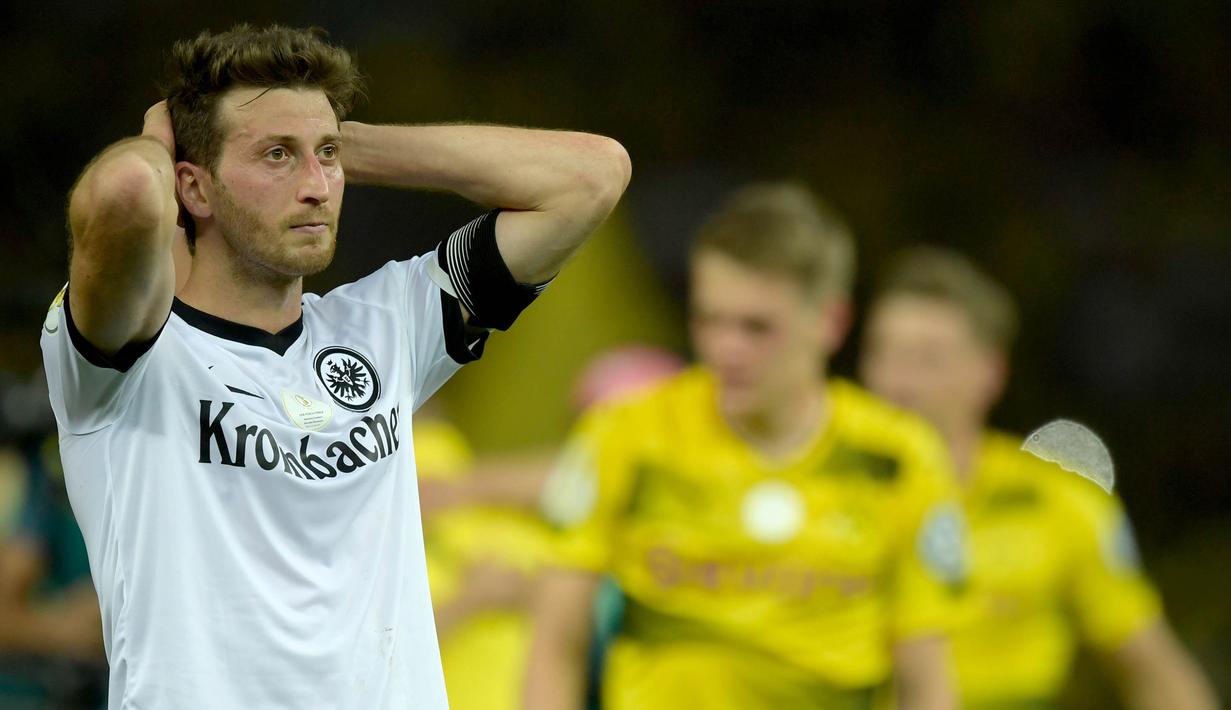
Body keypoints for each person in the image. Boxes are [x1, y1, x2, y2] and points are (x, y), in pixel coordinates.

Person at [39, 23, 629, 710]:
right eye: (276, 157)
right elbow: (123, 193)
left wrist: (341, 144)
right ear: (192, 189)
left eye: (327, 157)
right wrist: (158, 140)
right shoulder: (127, 358)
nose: (317, 186)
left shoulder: (387, 325)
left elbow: (593, 176)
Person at [525, 184, 965, 710]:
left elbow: (925, 681)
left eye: (757, 327)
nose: (726, 349)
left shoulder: (899, 457)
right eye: (709, 319)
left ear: (830, 322)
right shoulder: (625, 432)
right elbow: (556, 645)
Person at [858, 246, 1220, 710]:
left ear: (990, 372)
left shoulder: (1058, 500)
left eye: (928, 359)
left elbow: (1160, 675)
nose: (896, 383)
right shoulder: (821, 485)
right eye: (881, 352)